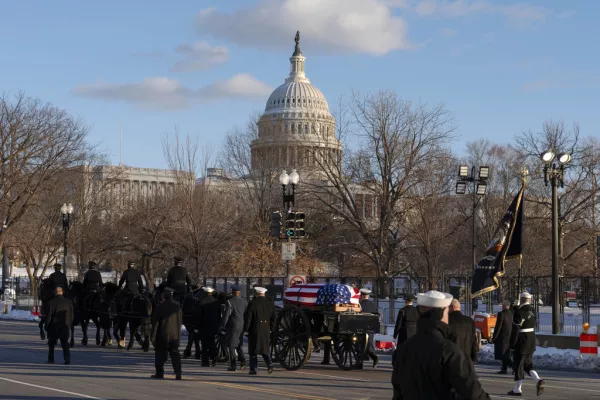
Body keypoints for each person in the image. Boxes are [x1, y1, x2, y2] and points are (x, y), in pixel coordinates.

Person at [392, 290, 491, 400]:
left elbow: (398, 393)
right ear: (441, 314)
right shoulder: (448, 351)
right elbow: (473, 393)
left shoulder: (403, 350)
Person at [508, 291, 544, 396]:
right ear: (530, 300)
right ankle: (538, 380)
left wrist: (512, 345)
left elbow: (516, 328)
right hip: (531, 339)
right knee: (527, 364)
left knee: (518, 364)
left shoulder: (519, 312)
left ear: (521, 299)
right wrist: (515, 307)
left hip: (522, 340)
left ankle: (517, 389)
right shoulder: (532, 310)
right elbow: (524, 314)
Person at [150, 287, 183, 380]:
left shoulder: (160, 307)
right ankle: (178, 373)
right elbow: (180, 322)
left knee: (160, 355)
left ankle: (159, 373)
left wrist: (152, 337)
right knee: (175, 355)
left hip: (162, 334)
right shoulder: (178, 307)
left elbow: (155, 322)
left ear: (164, 296)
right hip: (174, 335)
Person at [244, 286, 275, 375]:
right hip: (266, 329)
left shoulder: (253, 303)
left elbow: (248, 318)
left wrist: (246, 329)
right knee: (264, 348)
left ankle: (253, 369)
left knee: (253, 350)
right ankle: (269, 363)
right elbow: (274, 318)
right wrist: (271, 328)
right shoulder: (270, 303)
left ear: (256, 293)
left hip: (255, 328)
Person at [219, 285, 248, 371]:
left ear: (233, 292)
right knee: (239, 344)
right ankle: (243, 362)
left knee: (231, 345)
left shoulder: (229, 302)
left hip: (233, 325)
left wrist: (222, 326)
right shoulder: (244, 301)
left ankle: (233, 365)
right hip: (242, 325)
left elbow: (226, 315)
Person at [44, 287, 74, 365]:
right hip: (65, 326)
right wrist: (69, 325)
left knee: (51, 344)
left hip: (54, 327)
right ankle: (67, 359)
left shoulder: (51, 302)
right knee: (65, 343)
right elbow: (71, 315)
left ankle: (51, 359)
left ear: (55, 293)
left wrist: (46, 326)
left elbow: (49, 316)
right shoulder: (69, 302)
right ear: (62, 292)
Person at [448, 298, 479, 364]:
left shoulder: (447, 320)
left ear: (452, 307)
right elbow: (474, 340)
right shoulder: (469, 321)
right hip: (467, 358)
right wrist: (474, 357)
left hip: (452, 358)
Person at [195, 286, 220, 367]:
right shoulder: (216, 302)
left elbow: (199, 316)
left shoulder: (201, 301)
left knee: (204, 344)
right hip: (213, 325)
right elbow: (219, 315)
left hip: (204, 326)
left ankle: (205, 361)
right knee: (212, 342)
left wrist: (197, 326)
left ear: (205, 293)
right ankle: (214, 356)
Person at [358, 288, 379, 369]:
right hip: (371, 328)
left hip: (361, 328)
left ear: (362, 296)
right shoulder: (373, 305)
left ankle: (360, 363)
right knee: (369, 344)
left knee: (360, 345)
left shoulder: (360, 305)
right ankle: (374, 358)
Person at [492, 300, 513, 374]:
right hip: (509, 336)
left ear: (503, 306)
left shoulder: (501, 314)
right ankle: (504, 368)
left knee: (503, 354)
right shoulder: (511, 314)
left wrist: (494, 337)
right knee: (505, 353)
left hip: (502, 337)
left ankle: (513, 366)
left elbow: (498, 326)